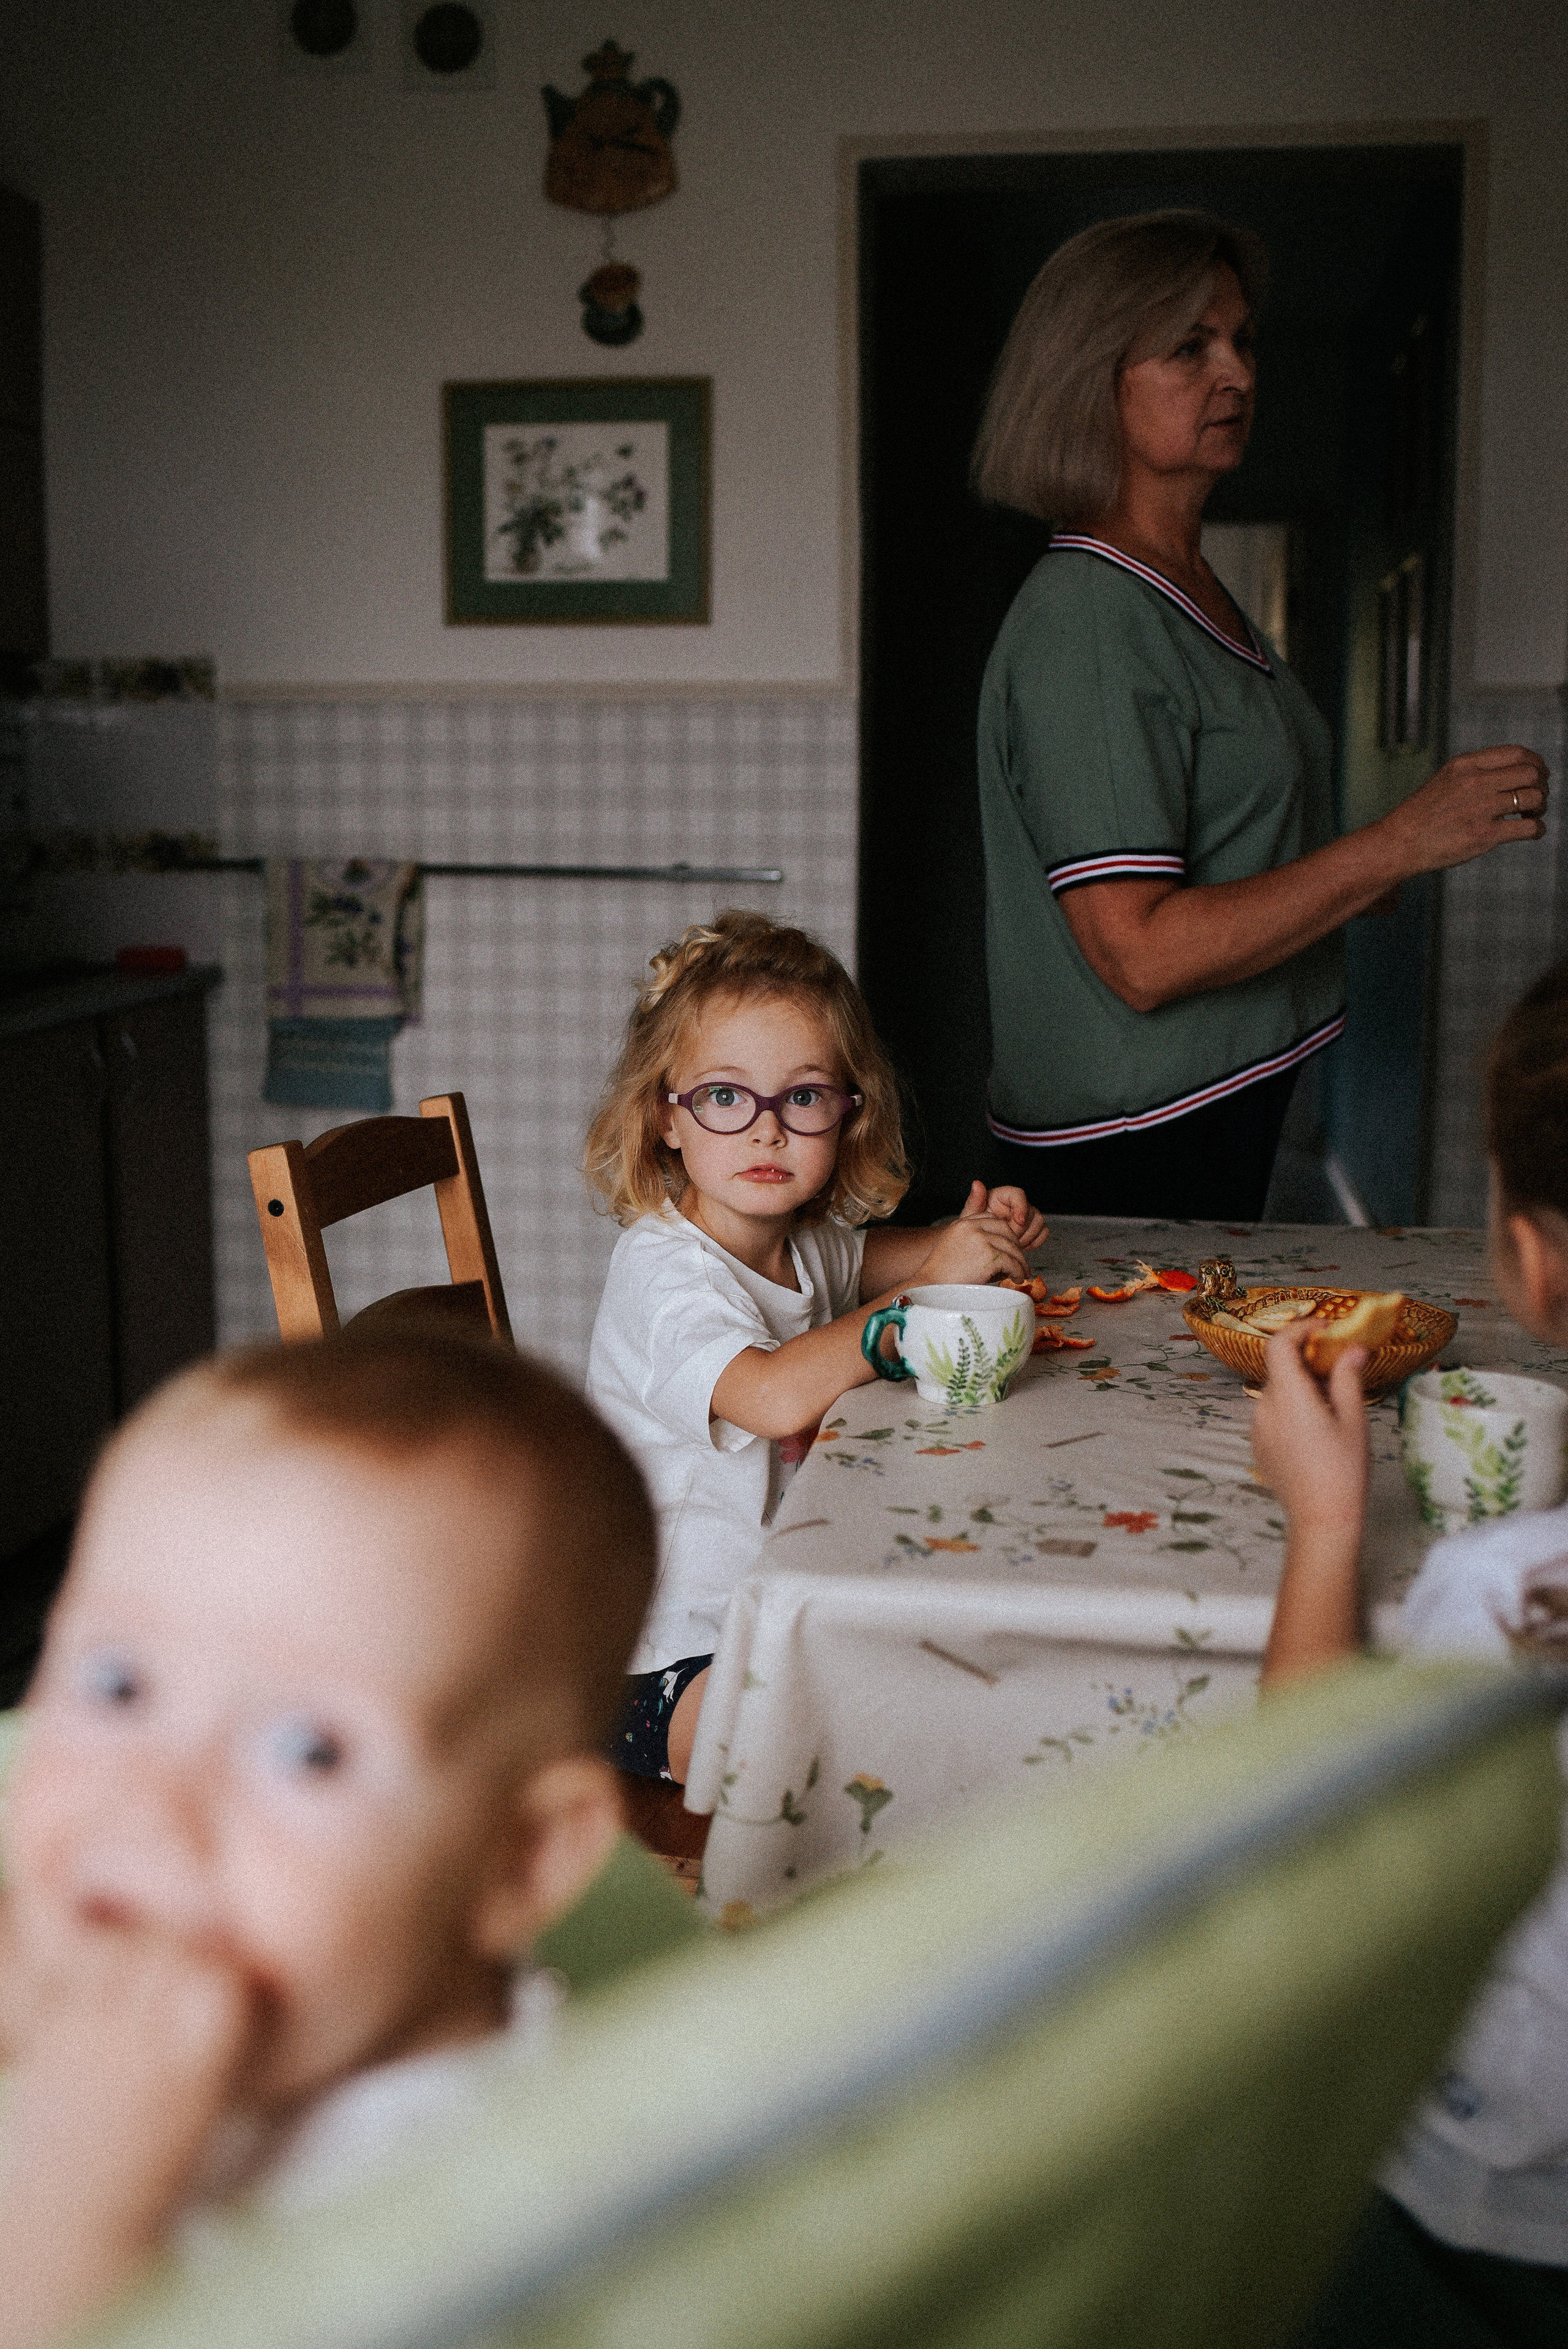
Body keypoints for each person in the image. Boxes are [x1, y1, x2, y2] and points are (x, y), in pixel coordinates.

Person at [0, 1323, 655, 2349]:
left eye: (309, 1750)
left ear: (518, 1858)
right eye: (116, 1682)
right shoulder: (258, 1959)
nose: (152, 1800)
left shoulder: (459, 2213)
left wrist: (78, 2191)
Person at [971, 208, 1550, 1219]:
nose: (1237, 373)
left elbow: (1222, 844)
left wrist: (1371, 867)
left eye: (1243, 340)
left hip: (1206, 1114)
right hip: (1129, 1146)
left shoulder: (1185, 584)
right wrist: (1393, 846)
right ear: (1090, 381)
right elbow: (1141, 956)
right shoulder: (1091, 618)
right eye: (1190, 347)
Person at [1251, 959, 1568, 2342]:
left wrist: (1325, 1525)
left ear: (1527, 1261)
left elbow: (1306, 1838)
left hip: (1476, 2236)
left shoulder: (1507, 1593)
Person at [584, 910, 1047, 1787]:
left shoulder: (798, 1238)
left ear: (848, 1111)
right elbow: (770, 1395)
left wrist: (969, 1236)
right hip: (660, 1662)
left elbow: (882, 1257)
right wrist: (926, 1293)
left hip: (784, 1609)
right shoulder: (662, 1272)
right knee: (847, 1759)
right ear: (665, 1118)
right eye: (726, 1095)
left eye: (801, 1097)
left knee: (940, 1691)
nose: (767, 1130)